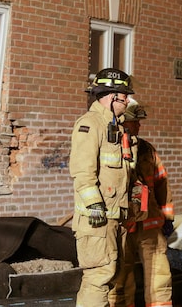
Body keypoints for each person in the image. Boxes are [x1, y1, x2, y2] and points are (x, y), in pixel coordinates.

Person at [69, 68, 135, 307]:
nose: (127, 100)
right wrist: (94, 205)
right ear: (110, 96)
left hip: (115, 217)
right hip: (96, 219)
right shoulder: (90, 124)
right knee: (98, 277)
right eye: (124, 96)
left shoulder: (117, 128)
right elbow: (82, 171)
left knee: (112, 276)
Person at [110, 99, 175, 307]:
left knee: (160, 278)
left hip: (150, 226)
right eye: (134, 122)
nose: (139, 126)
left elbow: (161, 182)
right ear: (121, 122)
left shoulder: (147, 149)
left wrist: (167, 217)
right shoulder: (110, 149)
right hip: (123, 225)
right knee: (120, 279)